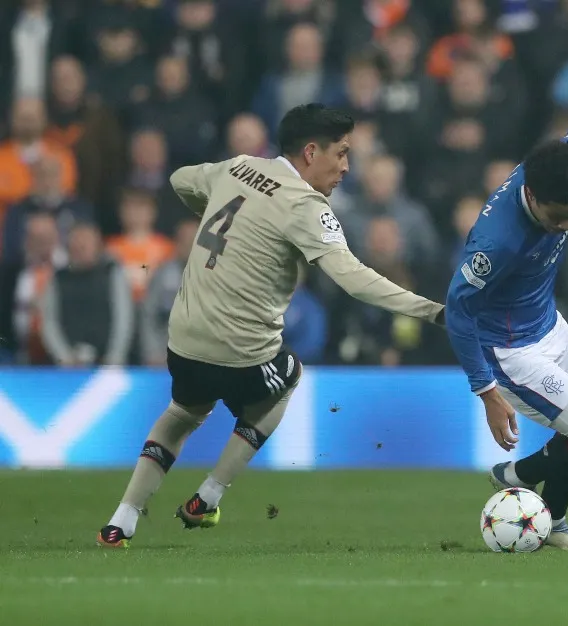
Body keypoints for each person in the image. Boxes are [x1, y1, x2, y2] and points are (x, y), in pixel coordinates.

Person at [97, 103, 445, 547]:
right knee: (289, 375)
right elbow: (355, 280)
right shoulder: (306, 207)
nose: (346, 167)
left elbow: (179, 180)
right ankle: (208, 497)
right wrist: (432, 310)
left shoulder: (239, 168)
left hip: (182, 343)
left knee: (183, 412)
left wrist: (217, 209)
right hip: (241, 353)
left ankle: (120, 522)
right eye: (340, 154)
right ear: (311, 152)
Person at [445, 102, 568, 552]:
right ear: (533, 197)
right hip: (512, 353)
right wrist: (486, 391)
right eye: (560, 217)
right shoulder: (496, 243)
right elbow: (457, 310)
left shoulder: (563, 161)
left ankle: (548, 512)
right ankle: (532, 474)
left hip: (550, 325)